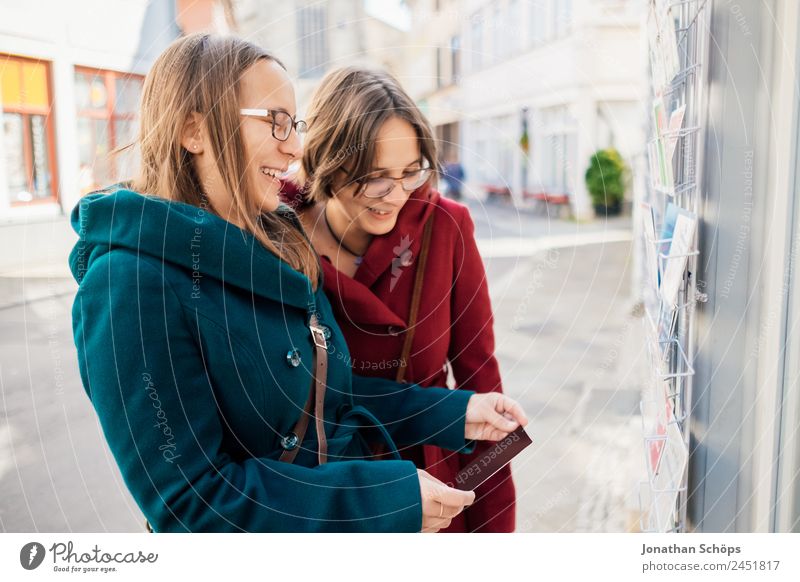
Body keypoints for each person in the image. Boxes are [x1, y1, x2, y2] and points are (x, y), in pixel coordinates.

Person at [69, 34, 528, 533]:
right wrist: (383, 498)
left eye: (295, 124)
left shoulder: (276, 243)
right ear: (193, 130)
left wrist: (456, 412)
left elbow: (336, 399)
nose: (293, 149)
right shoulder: (127, 287)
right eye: (275, 122)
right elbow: (192, 505)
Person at [284, 67, 519, 532]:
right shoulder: (277, 236)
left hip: (431, 487)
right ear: (329, 162)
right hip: (326, 491)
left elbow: (484, 383)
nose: (395, 196)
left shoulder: (445, 226)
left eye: (410, 173)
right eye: (375, 178)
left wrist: (491, 528)